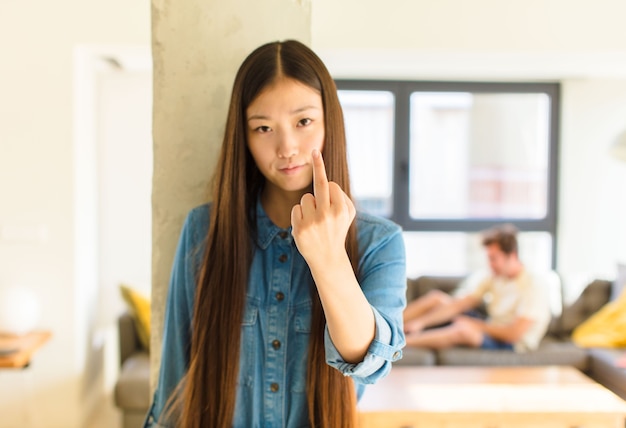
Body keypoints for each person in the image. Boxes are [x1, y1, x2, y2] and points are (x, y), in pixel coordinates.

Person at [143, 40, 407, 428]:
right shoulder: (204, 230)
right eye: (263, 128)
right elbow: (175, 382)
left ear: (329, 121)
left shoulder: (379, 242)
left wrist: (328, 258)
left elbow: (369, 361)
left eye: (303, 122)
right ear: (244, 137)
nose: (286, 147)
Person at [403, 223, 551, 352]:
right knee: (437, 298)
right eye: (488, 258)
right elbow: (461, 304)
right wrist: (420, 322)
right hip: (491, 326)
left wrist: (475, 325)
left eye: (494, 258)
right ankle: (388, 327)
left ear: (511, 256)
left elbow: (514, 334)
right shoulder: (495, 276)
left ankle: (399, 343)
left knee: (463, 330)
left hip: (511, 343)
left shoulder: (534, 285)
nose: (490, 264)